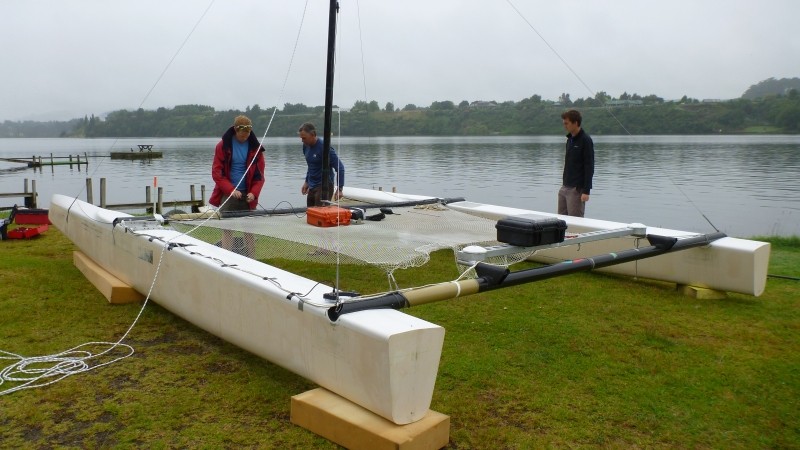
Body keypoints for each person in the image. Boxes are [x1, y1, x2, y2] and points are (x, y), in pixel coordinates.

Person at [209, 115, 266, 256]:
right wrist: (231, 190)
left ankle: (252, 259)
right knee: (227, 230)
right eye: (241, 136)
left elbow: (259, 176)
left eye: (247, 136)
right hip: (228, 193)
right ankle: (226, 258)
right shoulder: (222, 146)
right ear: (235, 130)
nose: (244, 138)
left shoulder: (256, 148)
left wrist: (254, 193)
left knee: (249, 230)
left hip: (248, 195)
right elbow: (217, 173)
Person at [298, 122, 345, 207]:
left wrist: (340, 189)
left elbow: (340, 168)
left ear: (312, 134)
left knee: (320, 215)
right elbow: (311, 165)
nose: (302, 141)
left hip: (324, 186)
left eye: (304, 138)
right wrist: (306, 182)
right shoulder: (305, 146)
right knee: (310, 213)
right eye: (301, 138)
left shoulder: (325, 148)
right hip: (312, 185)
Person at [558, 109, 594, 217]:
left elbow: (589, 166)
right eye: (564, 123)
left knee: (575, 222)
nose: (565, 126)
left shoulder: (585, 140)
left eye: (567, 123)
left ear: (576, 123)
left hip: (576, 189)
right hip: (565, 186)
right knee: (560, 221)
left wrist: (586, 191)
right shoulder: (569, 140)